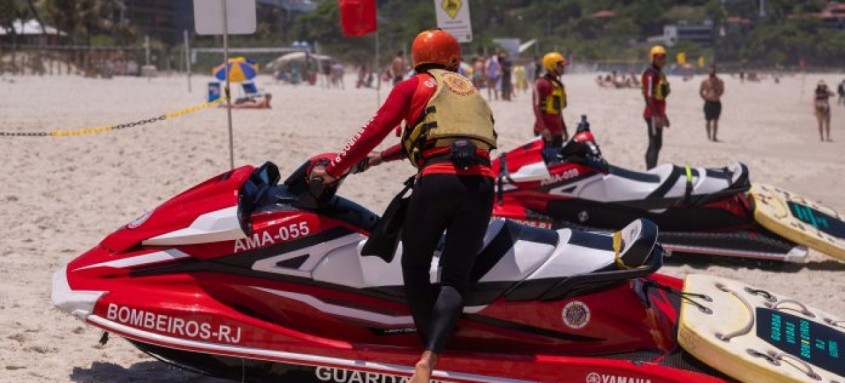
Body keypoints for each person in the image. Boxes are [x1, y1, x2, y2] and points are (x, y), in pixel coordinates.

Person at [309, 29, 497, 383]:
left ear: (416, 59)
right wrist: (382, 159)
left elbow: (375, 129)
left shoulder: (413, 86)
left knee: (415, 265)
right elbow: (447, 137)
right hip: (482, 186)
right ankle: (431, 356)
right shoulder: (472, 92)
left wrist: (334, 170)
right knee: (455, 278)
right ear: (454, 60)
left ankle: (424, 350)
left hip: (437, 183)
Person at [641, 45, 670, 170]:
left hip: (658, 114)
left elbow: (660, 98)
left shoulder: (659, 74)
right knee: (654, 144)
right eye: (659, 57)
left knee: (658, 144)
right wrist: (656, 116)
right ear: (653, 58)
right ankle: (650, 171)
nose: (662, 59)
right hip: (652, 115)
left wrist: (663, 115)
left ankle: (652, 170)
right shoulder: (650, 74)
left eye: (664, 57)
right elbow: (648, 96)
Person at [532, 51, 569, 148]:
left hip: (557, 130)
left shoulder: (558, 85)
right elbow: (536, 107)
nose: (563, 68)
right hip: (545, 131)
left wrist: (563, 129)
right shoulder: (541, 83)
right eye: (561, 66)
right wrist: (543, 128)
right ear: (552, 66)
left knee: (557, 161)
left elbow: (558, 111)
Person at [699, 64, 725, 142]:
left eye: (713, 70)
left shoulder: (719, 81)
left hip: (717, 103)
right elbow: (700, 92)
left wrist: (717, 95)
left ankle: (714, 137)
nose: (712, 71)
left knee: (716, 121)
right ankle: (708, 137)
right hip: (708, 103)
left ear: (715, 71)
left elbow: (722, 90)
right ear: (708, 71)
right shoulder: (705, 81)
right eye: (710, 70)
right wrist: (705, 98)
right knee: (708, 120)